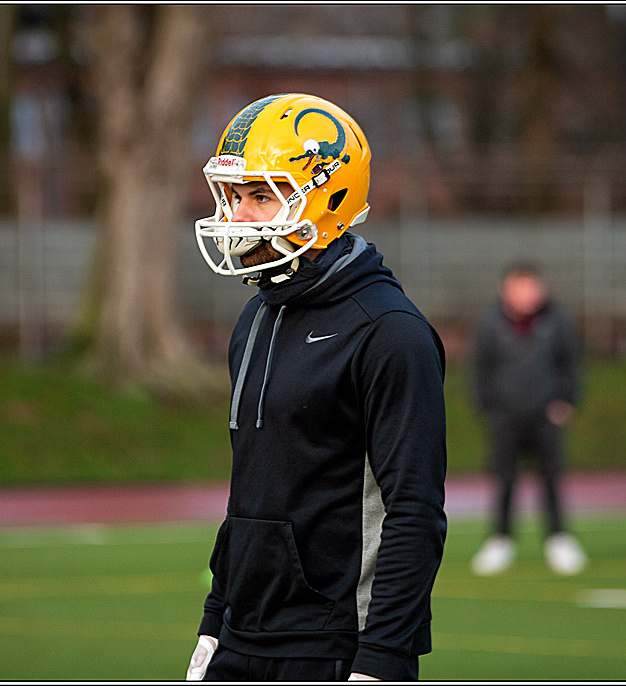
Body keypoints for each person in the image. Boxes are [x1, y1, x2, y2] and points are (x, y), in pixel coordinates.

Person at [185, 93, 447, 681]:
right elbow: (249, 492)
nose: (238, 216)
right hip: (243, 636)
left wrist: (382, 657)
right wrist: (214, 619)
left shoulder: (389, 331)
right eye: (235, 195)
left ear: (328, 196)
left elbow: (416, 510)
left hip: (337, 644)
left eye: (260, 196)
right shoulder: (257, 316)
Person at [468, 263, 587, 576]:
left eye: (530, 286)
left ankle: (558, 539)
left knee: (551, 478)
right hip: (505, 417)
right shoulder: (490, 323)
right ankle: (500, 540)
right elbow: (479, 369)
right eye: (518, 286)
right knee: (504, 480)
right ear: (505, 290)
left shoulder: (556, 320)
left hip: (545, 415)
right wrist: (488, 408)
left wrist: (566, 402)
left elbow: (570, 363)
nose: (525, 294)